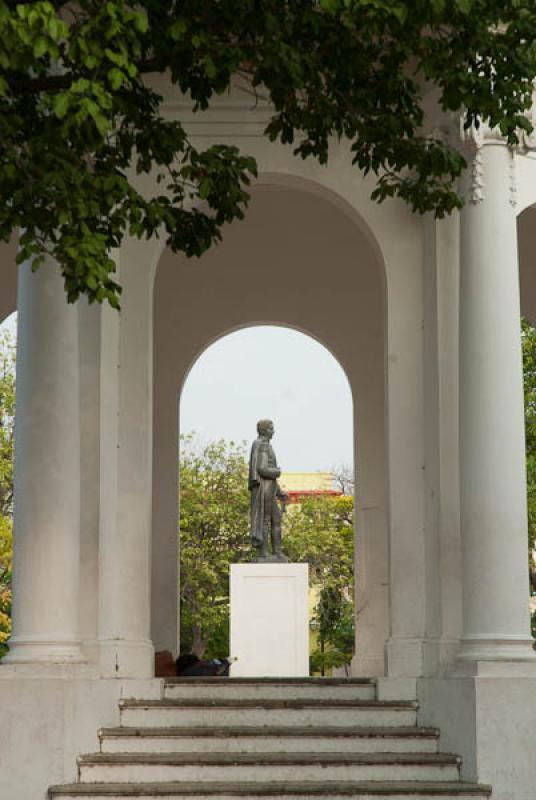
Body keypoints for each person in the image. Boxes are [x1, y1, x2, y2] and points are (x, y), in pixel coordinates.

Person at [248, 419, 288, 561]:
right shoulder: (263, 445)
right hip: (264, 490)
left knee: (276, 519)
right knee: (266, 520)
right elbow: (262, 469)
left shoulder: (262, 445)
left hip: (270, 488)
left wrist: (279, 492)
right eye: (271, 428)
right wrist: (277, 471)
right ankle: (264, 553)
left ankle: (277, 552)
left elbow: (267, 477)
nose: (273, 431)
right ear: (265, 430)